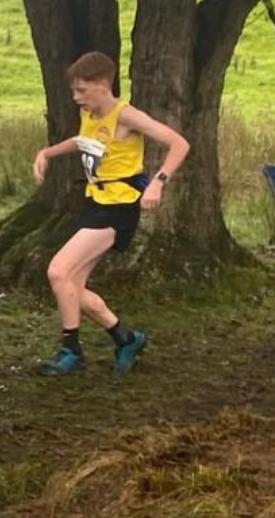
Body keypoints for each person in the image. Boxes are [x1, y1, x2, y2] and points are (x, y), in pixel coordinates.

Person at [31, 51, 190, 376]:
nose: (76, 97)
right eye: (74, 91)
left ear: (103, 85)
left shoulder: (126, 115)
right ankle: (126, 338)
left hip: (119, 208)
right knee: (73, 286)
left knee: (57, 272)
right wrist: (46, 152)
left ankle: (71, 351)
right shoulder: (90, 113)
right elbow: (82, 141)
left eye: (81, 90)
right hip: (96, 203)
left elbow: (179, 144)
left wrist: (158, 183)